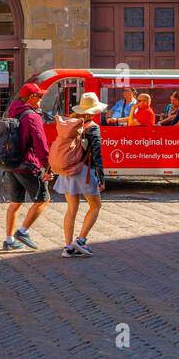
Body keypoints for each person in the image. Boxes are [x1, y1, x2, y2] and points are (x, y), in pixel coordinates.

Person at [0, 83, 52, 251]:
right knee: (43, 199)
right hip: (29, 165)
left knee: (15, 202)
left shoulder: (12, 111)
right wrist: (48, 167)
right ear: (31, 98)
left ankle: (8, 240)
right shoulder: (32, 117)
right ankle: (23, 231)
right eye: (40, 97)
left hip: (12, 164)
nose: (42, 100)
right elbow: (41, 146)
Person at [56, 92, 106, 257]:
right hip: (83, 171)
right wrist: (101, 177)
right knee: (95, 206)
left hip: (67, 169)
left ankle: (68, 247)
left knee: (71, 209)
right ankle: (81, 240)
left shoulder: (70, 123)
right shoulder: (92, 127)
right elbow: (97, 154)